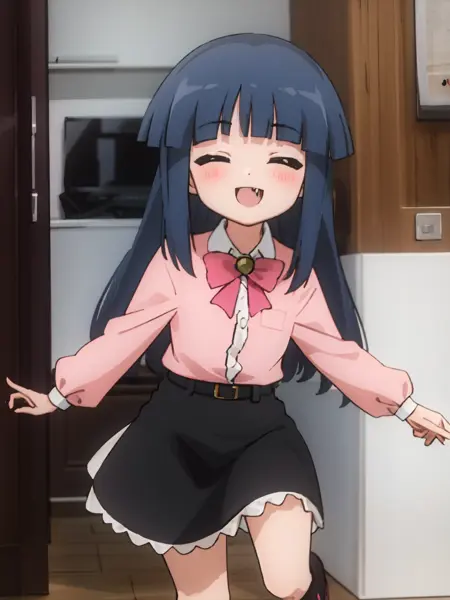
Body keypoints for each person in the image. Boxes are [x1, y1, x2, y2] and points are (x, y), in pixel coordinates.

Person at [7, 34, 450, 600]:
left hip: (261, 427)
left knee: (287, 582)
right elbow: (124, 336)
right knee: (204, 596)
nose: (250, 181)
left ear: (306, 178)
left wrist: (406, 406)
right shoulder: (175, 262)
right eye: (218, 157)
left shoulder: (295, 272)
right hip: (176, 429)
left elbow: (336, 351)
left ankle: (310, 580)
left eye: (282, 160)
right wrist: (60, 395)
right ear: (188, 174)